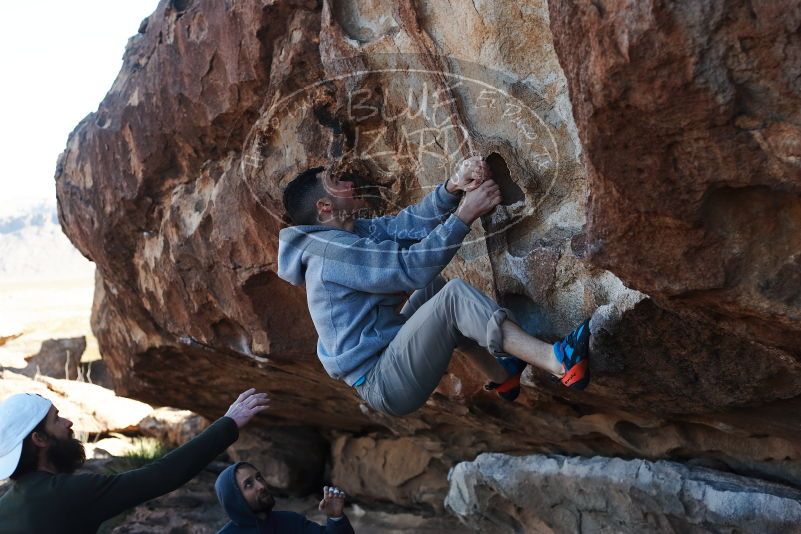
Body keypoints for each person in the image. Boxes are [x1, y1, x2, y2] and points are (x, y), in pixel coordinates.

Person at [277, 156, 591, 418]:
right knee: (453, 298)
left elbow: (403, 226)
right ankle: (558, 361)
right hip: (385, 383)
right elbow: (412, 269)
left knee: (438, 291)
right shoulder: (333, 254)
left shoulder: (347, 232)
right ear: (325, 207)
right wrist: (466, 213)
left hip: (390, 360)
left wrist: (453, 187)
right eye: (335, 181)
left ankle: (503, 375)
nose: (347, 181)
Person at [0, 388, 270, 534]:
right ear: (39, 439)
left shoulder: (6, 505)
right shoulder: (66, 495)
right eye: (56, 419)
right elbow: (161, 476)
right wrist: (228, 423)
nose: (68, 422)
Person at [215, 461, 354, 533]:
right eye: (248, 484)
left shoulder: (290, 521)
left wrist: (336, 518)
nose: (261, 486)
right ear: (234, 499)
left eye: (259, 477)